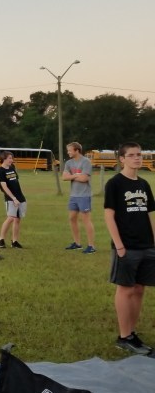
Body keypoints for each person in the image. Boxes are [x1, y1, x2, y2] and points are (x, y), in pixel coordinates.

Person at [104, 142, 155, 355]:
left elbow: (150, 214)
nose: (137, 158)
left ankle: (132, 333)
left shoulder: (144, 184)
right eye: (132, 155)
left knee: (139, 289)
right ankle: (124, 337)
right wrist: (119, 246)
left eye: (139, 154)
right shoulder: (114, 183)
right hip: (126, 246)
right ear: (122, 159)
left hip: (147, 246)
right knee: (125, 289)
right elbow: (109, 216)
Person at [63, 142, 96, 253]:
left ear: (77, 150)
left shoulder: (86, 162)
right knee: (72, 218)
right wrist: (77, 175)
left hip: (84, 195)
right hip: (73, 195)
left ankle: (91, 246)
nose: (68, 152)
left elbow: (84, 179)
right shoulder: (68, 163)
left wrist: (71, 176)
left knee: (86, 220)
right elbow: (64, 177)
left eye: (70, 150)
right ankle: (77, 244)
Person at [0, 151, 27, 249]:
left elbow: (16, 181)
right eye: (9, 158)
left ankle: (14, 241)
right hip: (10, 198)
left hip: (20, 197)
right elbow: (4, 187)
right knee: (10, 218)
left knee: (17, 219)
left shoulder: (12, 168)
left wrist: (20, 197)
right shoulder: (0, 171)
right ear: (4, 159)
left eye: (12, 158)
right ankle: (0, 240)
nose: (11, 160)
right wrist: (13, 198)